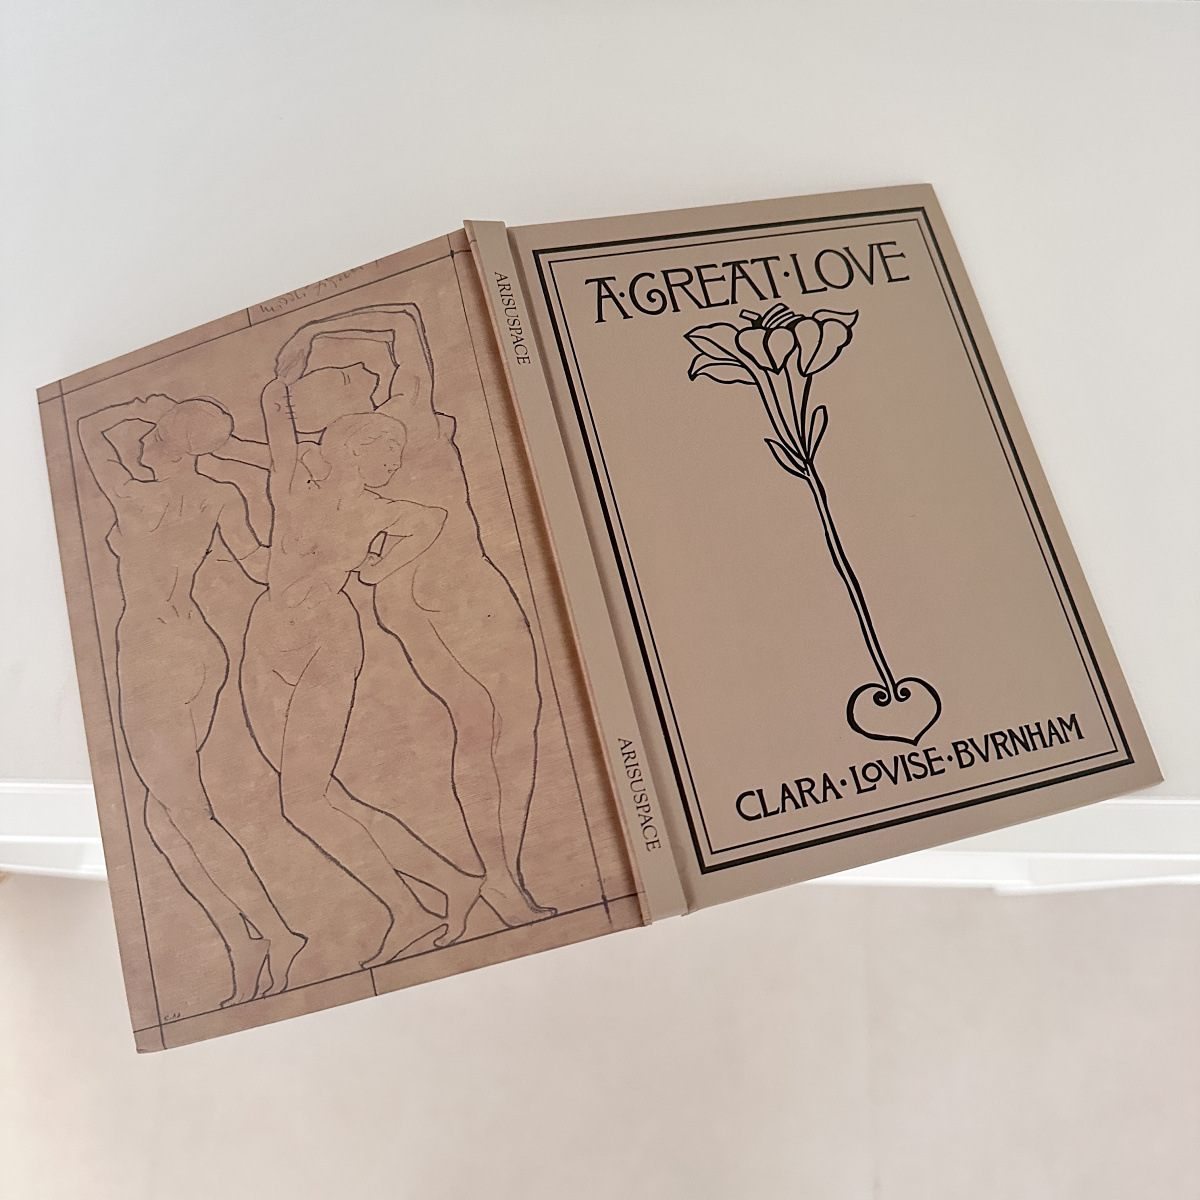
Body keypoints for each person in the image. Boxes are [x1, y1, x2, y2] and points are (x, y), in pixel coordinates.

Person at [272, 304, 554, 927]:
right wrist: (313, 335)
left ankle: (503, 876)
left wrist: (315, 331)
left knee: (512, 723)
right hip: (430, 593)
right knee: (488, 726)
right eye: (344, 374)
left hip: (446, 587)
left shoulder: (389, 427)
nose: (363, 369)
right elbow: (401, 326)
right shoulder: (373, 438)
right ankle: (499, 875)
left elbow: (403, 322)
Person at [239, 350, 482, 970]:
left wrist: (377, 567)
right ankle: (452, 884)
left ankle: (410, 911)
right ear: (350, 449)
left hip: (326, 638)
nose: (393, 461)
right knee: (317, 794)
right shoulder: (295, 484)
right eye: (384, 450)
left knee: (303, 801)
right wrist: (285, 373)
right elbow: (277, 419)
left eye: (396, 452)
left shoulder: (380, 510)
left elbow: (431, 519)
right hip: (268, 633)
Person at [78, 393, 306, 1006]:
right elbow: (259, 564)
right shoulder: (220, 495)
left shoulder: (132, 494)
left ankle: (278, 933)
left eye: (152, 432)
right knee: (164, 817)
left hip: (152, 655)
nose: (141, 439)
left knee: (186, 813)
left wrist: (144, 402)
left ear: (168, 441)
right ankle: (242, 941)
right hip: (200, 651)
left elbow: (91, 426)